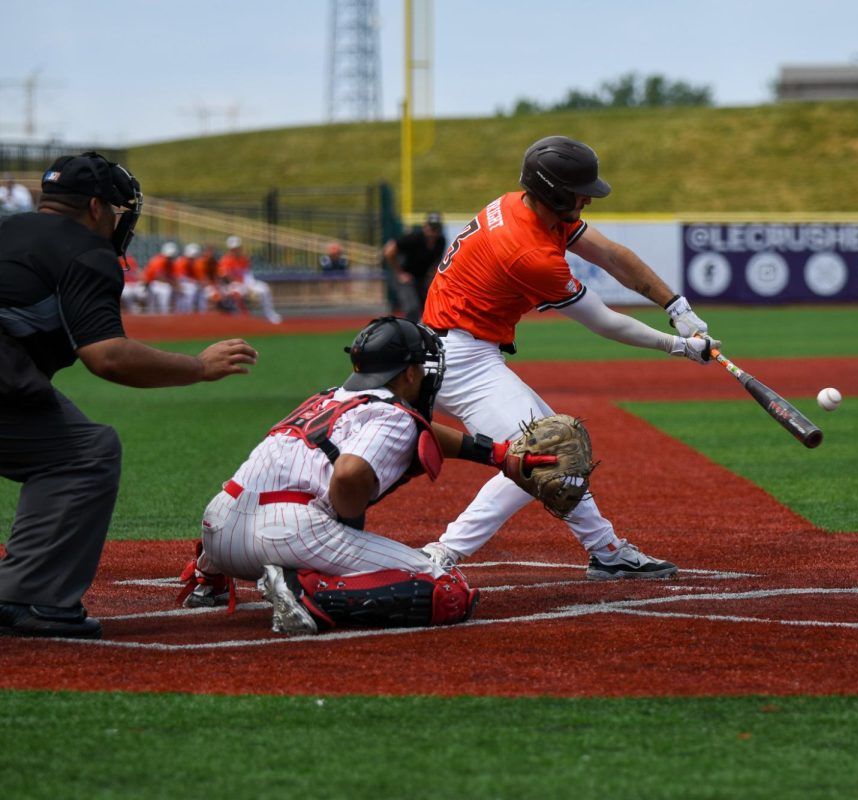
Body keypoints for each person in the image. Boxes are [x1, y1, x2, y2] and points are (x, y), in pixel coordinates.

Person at [418, 135, 719, 580]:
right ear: (555, 193)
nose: (587, 200)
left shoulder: (522, 204)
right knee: (543, 456)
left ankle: (606, 550)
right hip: (461, 361)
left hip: (458, 349)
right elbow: (603, 321)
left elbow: (612, 255)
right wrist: (678, 346)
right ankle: (439, 554)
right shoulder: (528, 253)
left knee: (561, 448)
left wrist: (676, 307)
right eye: (580, 192)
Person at [0, 152, 257, 639]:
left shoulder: (9, 228)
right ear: (96, 207)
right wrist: (199, 367)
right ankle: (31, 595)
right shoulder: (85, 249)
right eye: (117, 211)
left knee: (62, 435)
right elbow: (109, 357)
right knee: (85, 453)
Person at [181, 317, 550, 635]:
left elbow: (419, 430)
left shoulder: (329, 398)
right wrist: (348, 516)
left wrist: (497, 454)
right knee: (447, 590)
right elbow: (350, 472)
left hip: (218, 531)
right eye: (422, 367)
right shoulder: (392, 415)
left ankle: (207, 578)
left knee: (284, 493)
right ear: (409, 373)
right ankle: (305, 590)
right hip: (287, 533)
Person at [390, 211, 446, 320]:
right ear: (425, 227)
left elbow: (437, 262)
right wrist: (399, 273)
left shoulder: (440, 241)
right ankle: (409, 329)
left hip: (422, 278)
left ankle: (425, 329)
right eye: (431, 227)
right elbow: (389, 250)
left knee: (433, 305)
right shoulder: (414, 238)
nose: (433, 232)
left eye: (436, 228)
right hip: (407, 276)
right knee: (412, 308)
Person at [218, 235, 282, 324]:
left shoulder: (244, 259)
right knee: (237, 292)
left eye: (237, 248)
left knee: (264, 288)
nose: (235, 250)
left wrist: (250, 287)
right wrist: (239, 284)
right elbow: (225, 277)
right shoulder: (225, 260)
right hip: (232, 285)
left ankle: (270, 314)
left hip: (245, 283)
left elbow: (247, 275)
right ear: (230, 249)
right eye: (233, 249)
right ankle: (241, 316)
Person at [141, 242, 178, 315]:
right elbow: (158, 277)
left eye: (171, 257)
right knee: (155, 304)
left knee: (162, 302)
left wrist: (176, 285)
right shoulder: (158, 260)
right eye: (169, 257)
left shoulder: (170, 263)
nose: (170, 258)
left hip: (155, 284)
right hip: (151, 284)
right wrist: (174, 284)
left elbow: (173, 276)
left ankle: (164, 315)